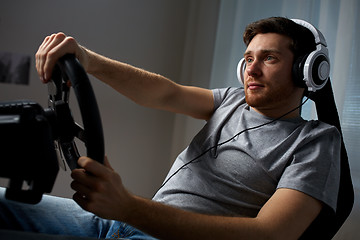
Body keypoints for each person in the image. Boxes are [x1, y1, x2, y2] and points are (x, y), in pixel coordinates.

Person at [0, 17, 341, 240]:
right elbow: (164, 92)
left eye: (269, 59)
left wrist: (129, 206)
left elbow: (271, 234)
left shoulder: (316, 142)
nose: (252, 70)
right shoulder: (232, 100)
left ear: (305, 71)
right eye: (249, 59)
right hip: (120, 221)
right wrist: (88, 60)